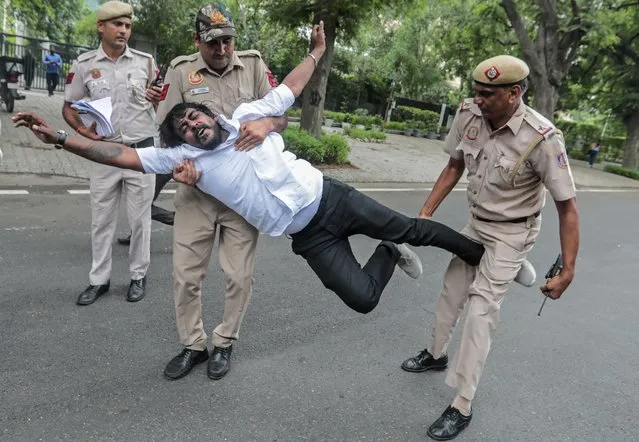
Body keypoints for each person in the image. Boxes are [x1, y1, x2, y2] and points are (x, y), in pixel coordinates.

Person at [14, 22, 491, 371]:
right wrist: (58, 138)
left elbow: (291, 89)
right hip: (306, 235)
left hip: (331, 198)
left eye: (194, 117)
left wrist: (317, 52)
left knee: (412, 226)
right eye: (183, 127)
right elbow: (117, 154)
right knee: (362, 298)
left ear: (205, 111)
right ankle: (388, 252)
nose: (193, 126)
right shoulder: (184, 160)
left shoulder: (247, 115)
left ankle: (475, 253)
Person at [397, 55, 580, 440]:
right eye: (476, 92)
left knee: (482, 308)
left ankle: (461, 404)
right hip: (477, 222)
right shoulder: (469, 115)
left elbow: (567, 207)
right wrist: (425, 214)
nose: (478, 99)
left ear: (514, 94)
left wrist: (568, 270)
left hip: (513, 232)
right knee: (451, 291)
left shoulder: (542, 138)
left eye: (487, 94)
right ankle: (435, 354)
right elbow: (454, 167)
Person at [150, 2, 287, 382]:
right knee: (186, 276)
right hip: (196, 194)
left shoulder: (255, 65)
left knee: (239, 276)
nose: (223, 50)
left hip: (243, 195)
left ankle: (224, 341)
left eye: (228, 41)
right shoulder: (180, 72)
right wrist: (178, 171)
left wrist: (269, 125)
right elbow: (164, 139)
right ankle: (192, 344)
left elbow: (281, 115)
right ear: (197, 41)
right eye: (213, 43)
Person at [61, 0, 158, 306]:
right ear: (101, 27)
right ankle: (98, 280)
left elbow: (159, 102)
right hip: (103, 153)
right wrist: (83, 132)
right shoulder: (84, 65)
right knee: (102, 221)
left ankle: (138, 276)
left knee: (141, 222)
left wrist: (158, 100)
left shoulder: (145, 62)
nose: (124, 31)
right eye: (117, 25)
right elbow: (69, 106)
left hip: (141, 152)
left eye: (128, 26)